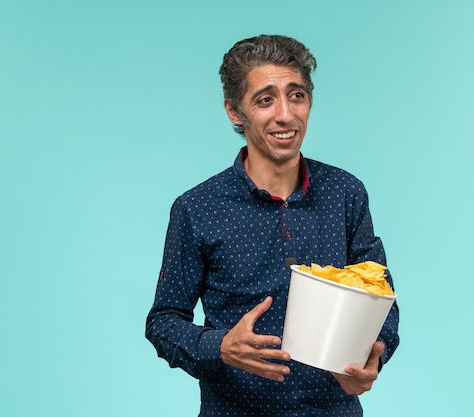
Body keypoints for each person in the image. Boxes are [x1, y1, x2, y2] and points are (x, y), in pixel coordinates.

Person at [146, 34, 399, 417]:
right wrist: (220, 346)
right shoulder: (196, 208)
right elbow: (164, 322)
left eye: (296, 95)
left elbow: (381, 296)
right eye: (265, 99)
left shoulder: (346, 193)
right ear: (235, 111)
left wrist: (373, 358)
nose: (285, 115)